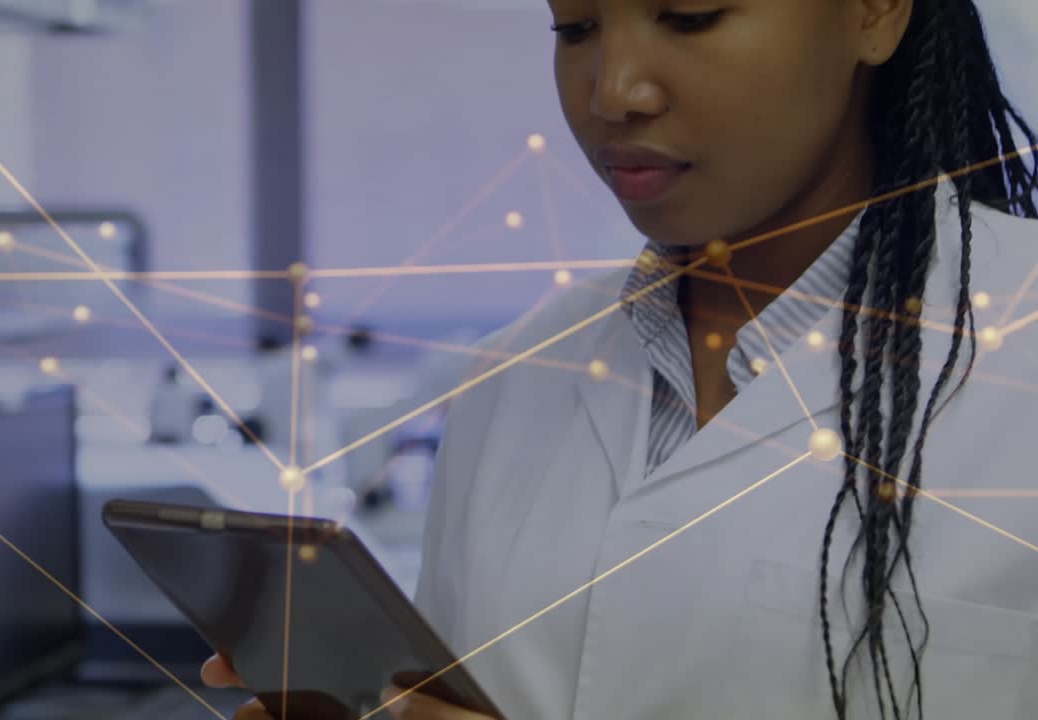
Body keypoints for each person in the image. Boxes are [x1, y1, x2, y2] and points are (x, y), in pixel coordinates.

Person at [203, 0, 1038, 716]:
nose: (612, 92)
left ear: (875, 11)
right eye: (575, 28)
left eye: (689, 17)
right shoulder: (519, 372)